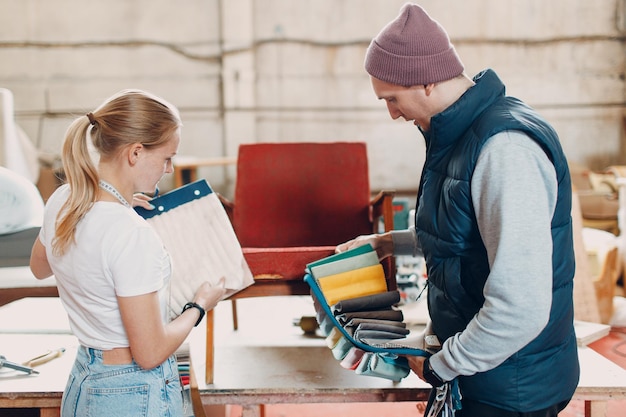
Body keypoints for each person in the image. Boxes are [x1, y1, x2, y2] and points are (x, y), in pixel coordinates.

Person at [337, 3, 579, 416]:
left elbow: (520, 306)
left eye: (392, 98)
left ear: (428, 82)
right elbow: (468, 232)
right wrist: (389, 243)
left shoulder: (504, 150)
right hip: (485, 374)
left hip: (511, 386)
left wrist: (441, 365)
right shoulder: (459, 135)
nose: (392, 112)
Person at [29, 89, 226, 417]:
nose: (168, 169)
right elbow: (149, 352)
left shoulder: (63, 200)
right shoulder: (131, 233)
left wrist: (117, 201)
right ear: (135, 152)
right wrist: (200, 305)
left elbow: (40, 267)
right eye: (166, 157)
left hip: (84, 381)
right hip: (133, 391)